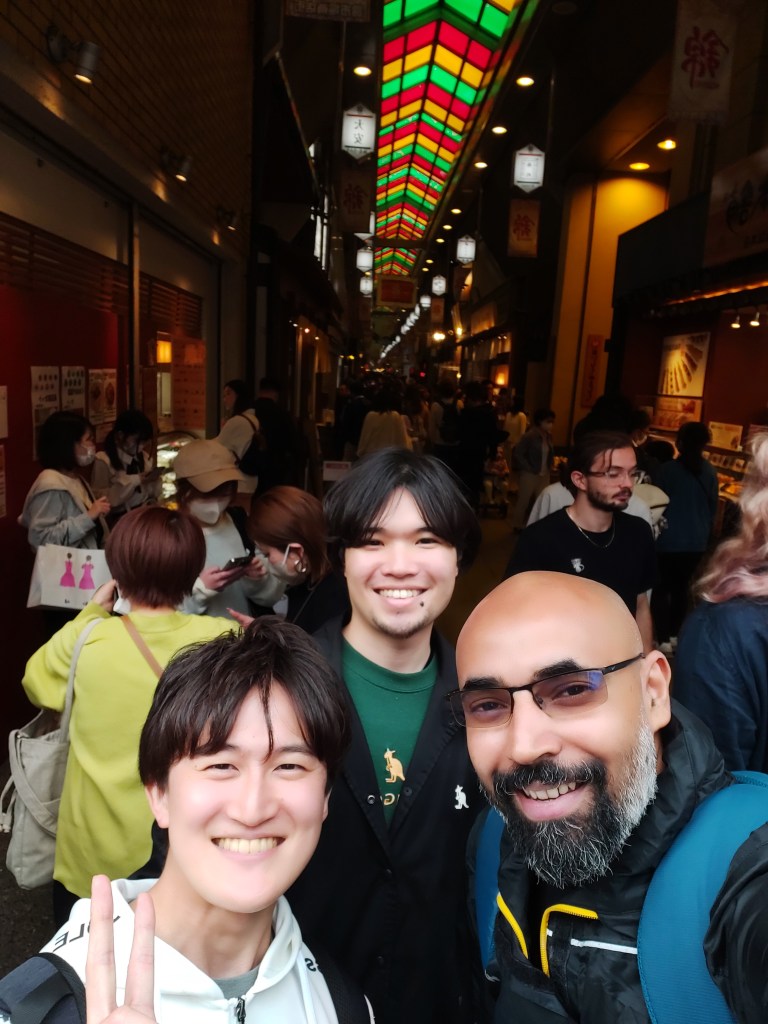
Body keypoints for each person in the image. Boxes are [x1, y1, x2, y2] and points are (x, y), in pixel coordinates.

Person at [5, 620, 373, 1024]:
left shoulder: (341, 1004)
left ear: (325, 797)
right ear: (158, 793)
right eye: (220, 765)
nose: (252, 809)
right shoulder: (34, 1008)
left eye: (289, 766)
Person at [455, 571, 768, 1023]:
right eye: (487, 705)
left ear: (653, 693)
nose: (523, 746)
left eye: (572, 690)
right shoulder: (492, 841)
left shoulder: (748, 871)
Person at [287, 449, 486, 1024]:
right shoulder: (277, 687)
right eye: (373, 542)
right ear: (342, 559)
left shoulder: (493, 705)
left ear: (457, 558)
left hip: (439, 1000)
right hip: (300, 996)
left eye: (427, 540)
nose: (400, 566)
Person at [21, 505, 235, 925]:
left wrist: (90, 612)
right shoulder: (222, 641)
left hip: (91, 855)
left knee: (86, 955)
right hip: (183, 852)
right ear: (192, 570)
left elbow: (35, 683)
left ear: (116, 569)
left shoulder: (86, 640)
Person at [506, 431, 656, 651]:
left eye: (632, 473)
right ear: (580, 479)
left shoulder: (638, 532)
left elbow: (641, 604)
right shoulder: (541, 538)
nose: (627, 484)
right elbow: (514, 612)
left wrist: (645, 662)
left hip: (622, 660)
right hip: (562, 663)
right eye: (613, 474)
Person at [674, 431, 768, 772]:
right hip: (695, 541)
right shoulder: (710, 473)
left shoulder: (725, 632)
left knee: (676, 588)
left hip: (678, 542)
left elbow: (708, 778)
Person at [173, 439, 284, 619]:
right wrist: (201, 591)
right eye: (207, 496)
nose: (217, 504)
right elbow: (161, 613)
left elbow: (271, 597)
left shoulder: (241, 522)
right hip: (201, 637)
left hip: (244, 633)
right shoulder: (168, 535)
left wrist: (258, 579)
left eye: (224, 494)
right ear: (184, 492)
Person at [652, 421, 718, 652]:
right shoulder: (710, 471)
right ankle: (674, 635)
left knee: (661, 589)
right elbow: (712, 509)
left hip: (668, 540)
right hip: (696, 542)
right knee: (681, 588)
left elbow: (656, 505)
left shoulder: (666, 471)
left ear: (680, 442)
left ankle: (662, 639)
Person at [248, 485, 348, 633]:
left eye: (267, 554)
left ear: (296, 551)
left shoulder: (336, 596)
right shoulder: (307, 581)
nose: (266, 562)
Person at [20, 410, 110, 551]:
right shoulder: (50, 484)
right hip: (68, 565)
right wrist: (88, 517)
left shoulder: (75, 477)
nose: (92, 446)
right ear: (68, 444)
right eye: (88, 439)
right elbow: (40, 540)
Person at [91, 409, 162, 520]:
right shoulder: (103, 461)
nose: (141, 446)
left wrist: (153, 480)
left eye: (144, 442)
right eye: (137, 441)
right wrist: (135, 480)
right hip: (119, 520)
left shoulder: (144, 457)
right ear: (120, 435)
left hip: (144, 515)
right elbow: (101, 498)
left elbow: (152, 494)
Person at [214, 378, 261, 507]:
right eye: (224, 395)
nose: (224, 399)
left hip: (238, 481)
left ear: (239, 395)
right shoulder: (253, 418)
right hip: (250, 479)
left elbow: (218, 446)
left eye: (228, 394)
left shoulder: (237, 421)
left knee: (236, 514)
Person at [252, 376, 303, 494]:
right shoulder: (282, 414)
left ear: (260, 391)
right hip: (275, 468)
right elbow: (294, 444)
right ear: (276, 394)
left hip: (251, 467)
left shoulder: (250, 411)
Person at [512, 408, 554, 529]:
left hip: (544, 474)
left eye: (552, 421)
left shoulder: (548, 436)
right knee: (523, 501)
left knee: (543, 501)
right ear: (540, 421)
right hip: (530, 474)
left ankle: (538, 525)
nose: (551, 424)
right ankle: (517, 525)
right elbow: (518, 453)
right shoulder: (530, 436)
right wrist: (528, 467)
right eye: (548, 421)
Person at [356, 383, 412, 457]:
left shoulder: (370, 416)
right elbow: (401, 437)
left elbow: (365, 436)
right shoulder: (395, 416)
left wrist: (361, 451)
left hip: (372, 453)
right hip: (390, 454)